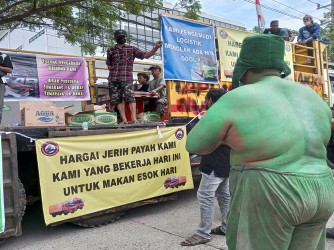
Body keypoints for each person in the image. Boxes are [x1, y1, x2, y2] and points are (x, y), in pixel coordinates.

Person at [186, 34, 334, 250]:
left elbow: (195, 144)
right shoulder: (311, 97)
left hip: (273, 189)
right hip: (323, 188)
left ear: (245, 68)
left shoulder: (239, 96)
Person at [181, 88, 231, 246]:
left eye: (206, 99)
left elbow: (199, 140)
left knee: (205, 196)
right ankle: (227, 227)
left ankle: (203, 233)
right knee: (224, 195)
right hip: (227, 161)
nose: (205, 102)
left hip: (214, 162)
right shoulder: (229, 114)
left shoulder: (214, 115)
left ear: (210, 100)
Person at [106, 29, 162, 124]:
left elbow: (146, 55)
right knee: (117, 100)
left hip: (127, 78)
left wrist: (156, 47)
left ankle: (134, 119)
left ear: (126, 37)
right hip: (113, 79)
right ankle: (124, 120)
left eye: (123, 37)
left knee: (130, 98)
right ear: (115, 39)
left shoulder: (131, 49)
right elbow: (109, 65)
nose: (122, 39)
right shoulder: (110, 50)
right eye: (120, 37)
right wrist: (112, 69)